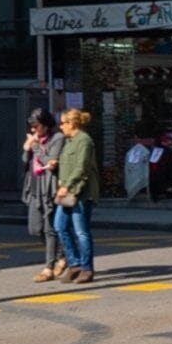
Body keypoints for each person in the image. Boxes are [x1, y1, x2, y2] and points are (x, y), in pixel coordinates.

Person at [47, 109, 97, 284]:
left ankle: (87, 268)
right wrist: (56, 164)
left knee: (81, 231)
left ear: (72, 123)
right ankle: (74, 263)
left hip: (80, 192)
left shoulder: (84, 141)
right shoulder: (69, 141)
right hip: (66, 192)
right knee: (60, 226)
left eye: (62, 123)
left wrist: (67, 185)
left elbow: (81, 167)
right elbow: (69, 164)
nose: (60, 127)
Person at [22, 110, 65, 279]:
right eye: (31, 127)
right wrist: (27, 149)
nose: (33, 130)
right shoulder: (35, 139)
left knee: (49, 228)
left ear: (46, 124)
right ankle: (61, 254)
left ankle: (49, 266)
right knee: (34, 228)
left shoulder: (57, 139)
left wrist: (34, 146)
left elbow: (50, 161)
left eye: (36, 126)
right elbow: (26, 161)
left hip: (48, 186)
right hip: (34, 185)